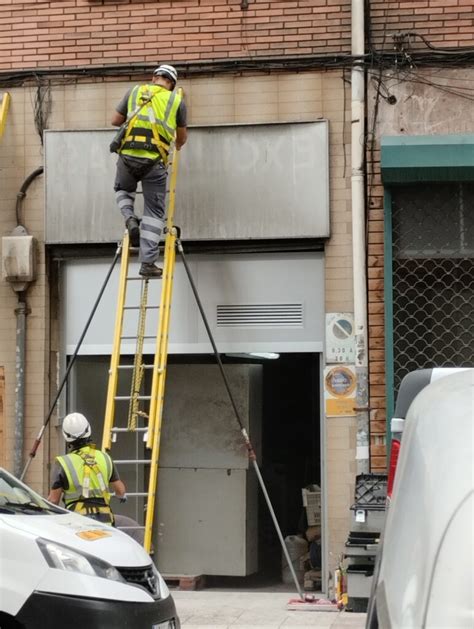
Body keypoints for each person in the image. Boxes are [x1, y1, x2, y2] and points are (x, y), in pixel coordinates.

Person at [111, 64, 188, 278]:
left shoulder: (134, 91)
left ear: (154, 78)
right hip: (154, 162)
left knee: (122, 190)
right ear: (172, 84)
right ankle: (147, 264)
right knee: (154, 214)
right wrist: (176, 143)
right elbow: (181, 139)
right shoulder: (176, 101)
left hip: (126, 157)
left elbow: (115, 121)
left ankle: (129, 218)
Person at [47, 412, 126, 526]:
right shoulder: (105, 458)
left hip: (77, 522)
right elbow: (120, 491)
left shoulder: (63, 463)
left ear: (66, 437)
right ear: (88, 430)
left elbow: (54, 500)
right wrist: (122, 496)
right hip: (105, 521)